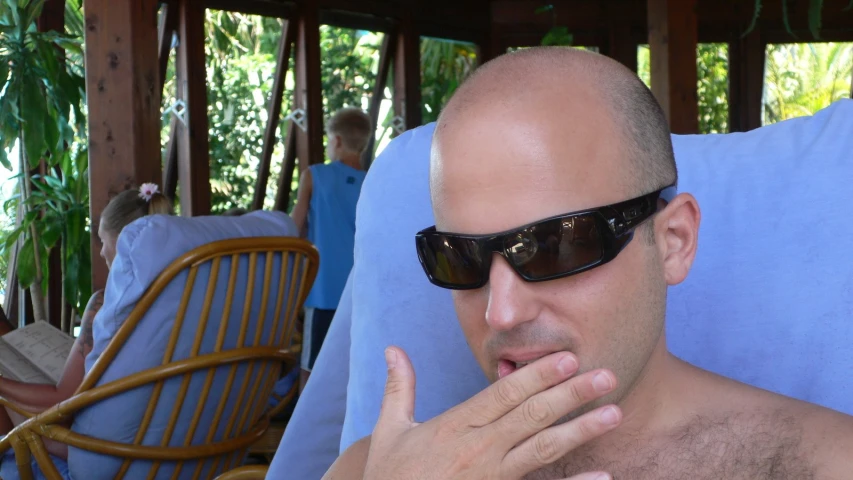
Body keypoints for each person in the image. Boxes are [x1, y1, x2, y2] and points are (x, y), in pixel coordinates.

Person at [322, 48, 853, 479]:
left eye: (556, 245)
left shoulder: (819, 462)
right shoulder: (376, 470)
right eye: (460, 257)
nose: (501, 314)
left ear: (673, 241)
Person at [0, 183, 172, 460]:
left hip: (106, 454)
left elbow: (62, 401)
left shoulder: (108, 305)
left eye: (103, 241)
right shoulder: (183, 301)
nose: (102, 252)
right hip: (175, 450)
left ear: (124, 241)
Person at [290, 107, 370, 389]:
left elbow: (293, 228)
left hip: (323, 291)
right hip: (361, 292)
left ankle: (304, 432)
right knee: (356, 367)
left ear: (335, 140)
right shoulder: (372, 182)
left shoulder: (314, 176)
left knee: (310, 369)